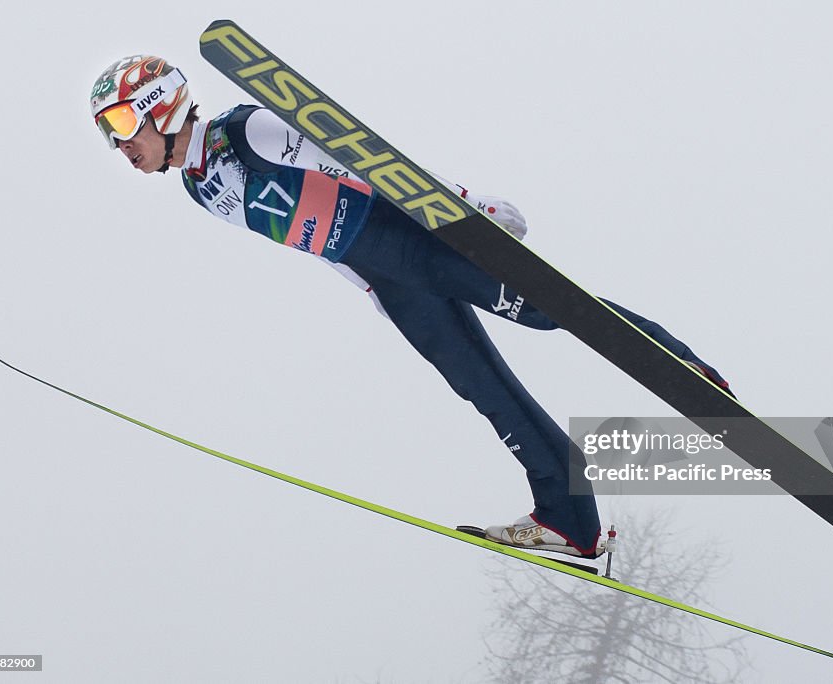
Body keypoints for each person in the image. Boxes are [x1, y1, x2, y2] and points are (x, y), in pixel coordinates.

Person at [90, 55, 733, 559]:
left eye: (120, 125)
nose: (120, 144)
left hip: (421, 242)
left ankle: (682, 367)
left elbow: (363, 161)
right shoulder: (199, 189)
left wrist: (469, 214)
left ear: (160, 104)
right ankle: (571, 520)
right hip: (389, 281)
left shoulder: (247, 130)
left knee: (546, 310)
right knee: (484, 388)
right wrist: (369, 289)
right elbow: (306, 238)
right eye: (108, 135)